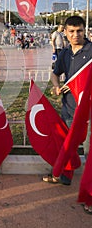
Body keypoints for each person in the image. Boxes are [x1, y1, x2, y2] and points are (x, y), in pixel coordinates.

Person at [43, 16, 92, 199]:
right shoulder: (64, 53)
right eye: (71, 31)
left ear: (84, 30)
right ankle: (65, 175)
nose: (75, 35)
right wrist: (56, 86)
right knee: (68, 146)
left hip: (88, 113)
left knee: (89, 153)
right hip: (69, 108)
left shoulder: (91, 51)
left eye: (79, 30)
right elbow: (55, 74)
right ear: (65, 32)